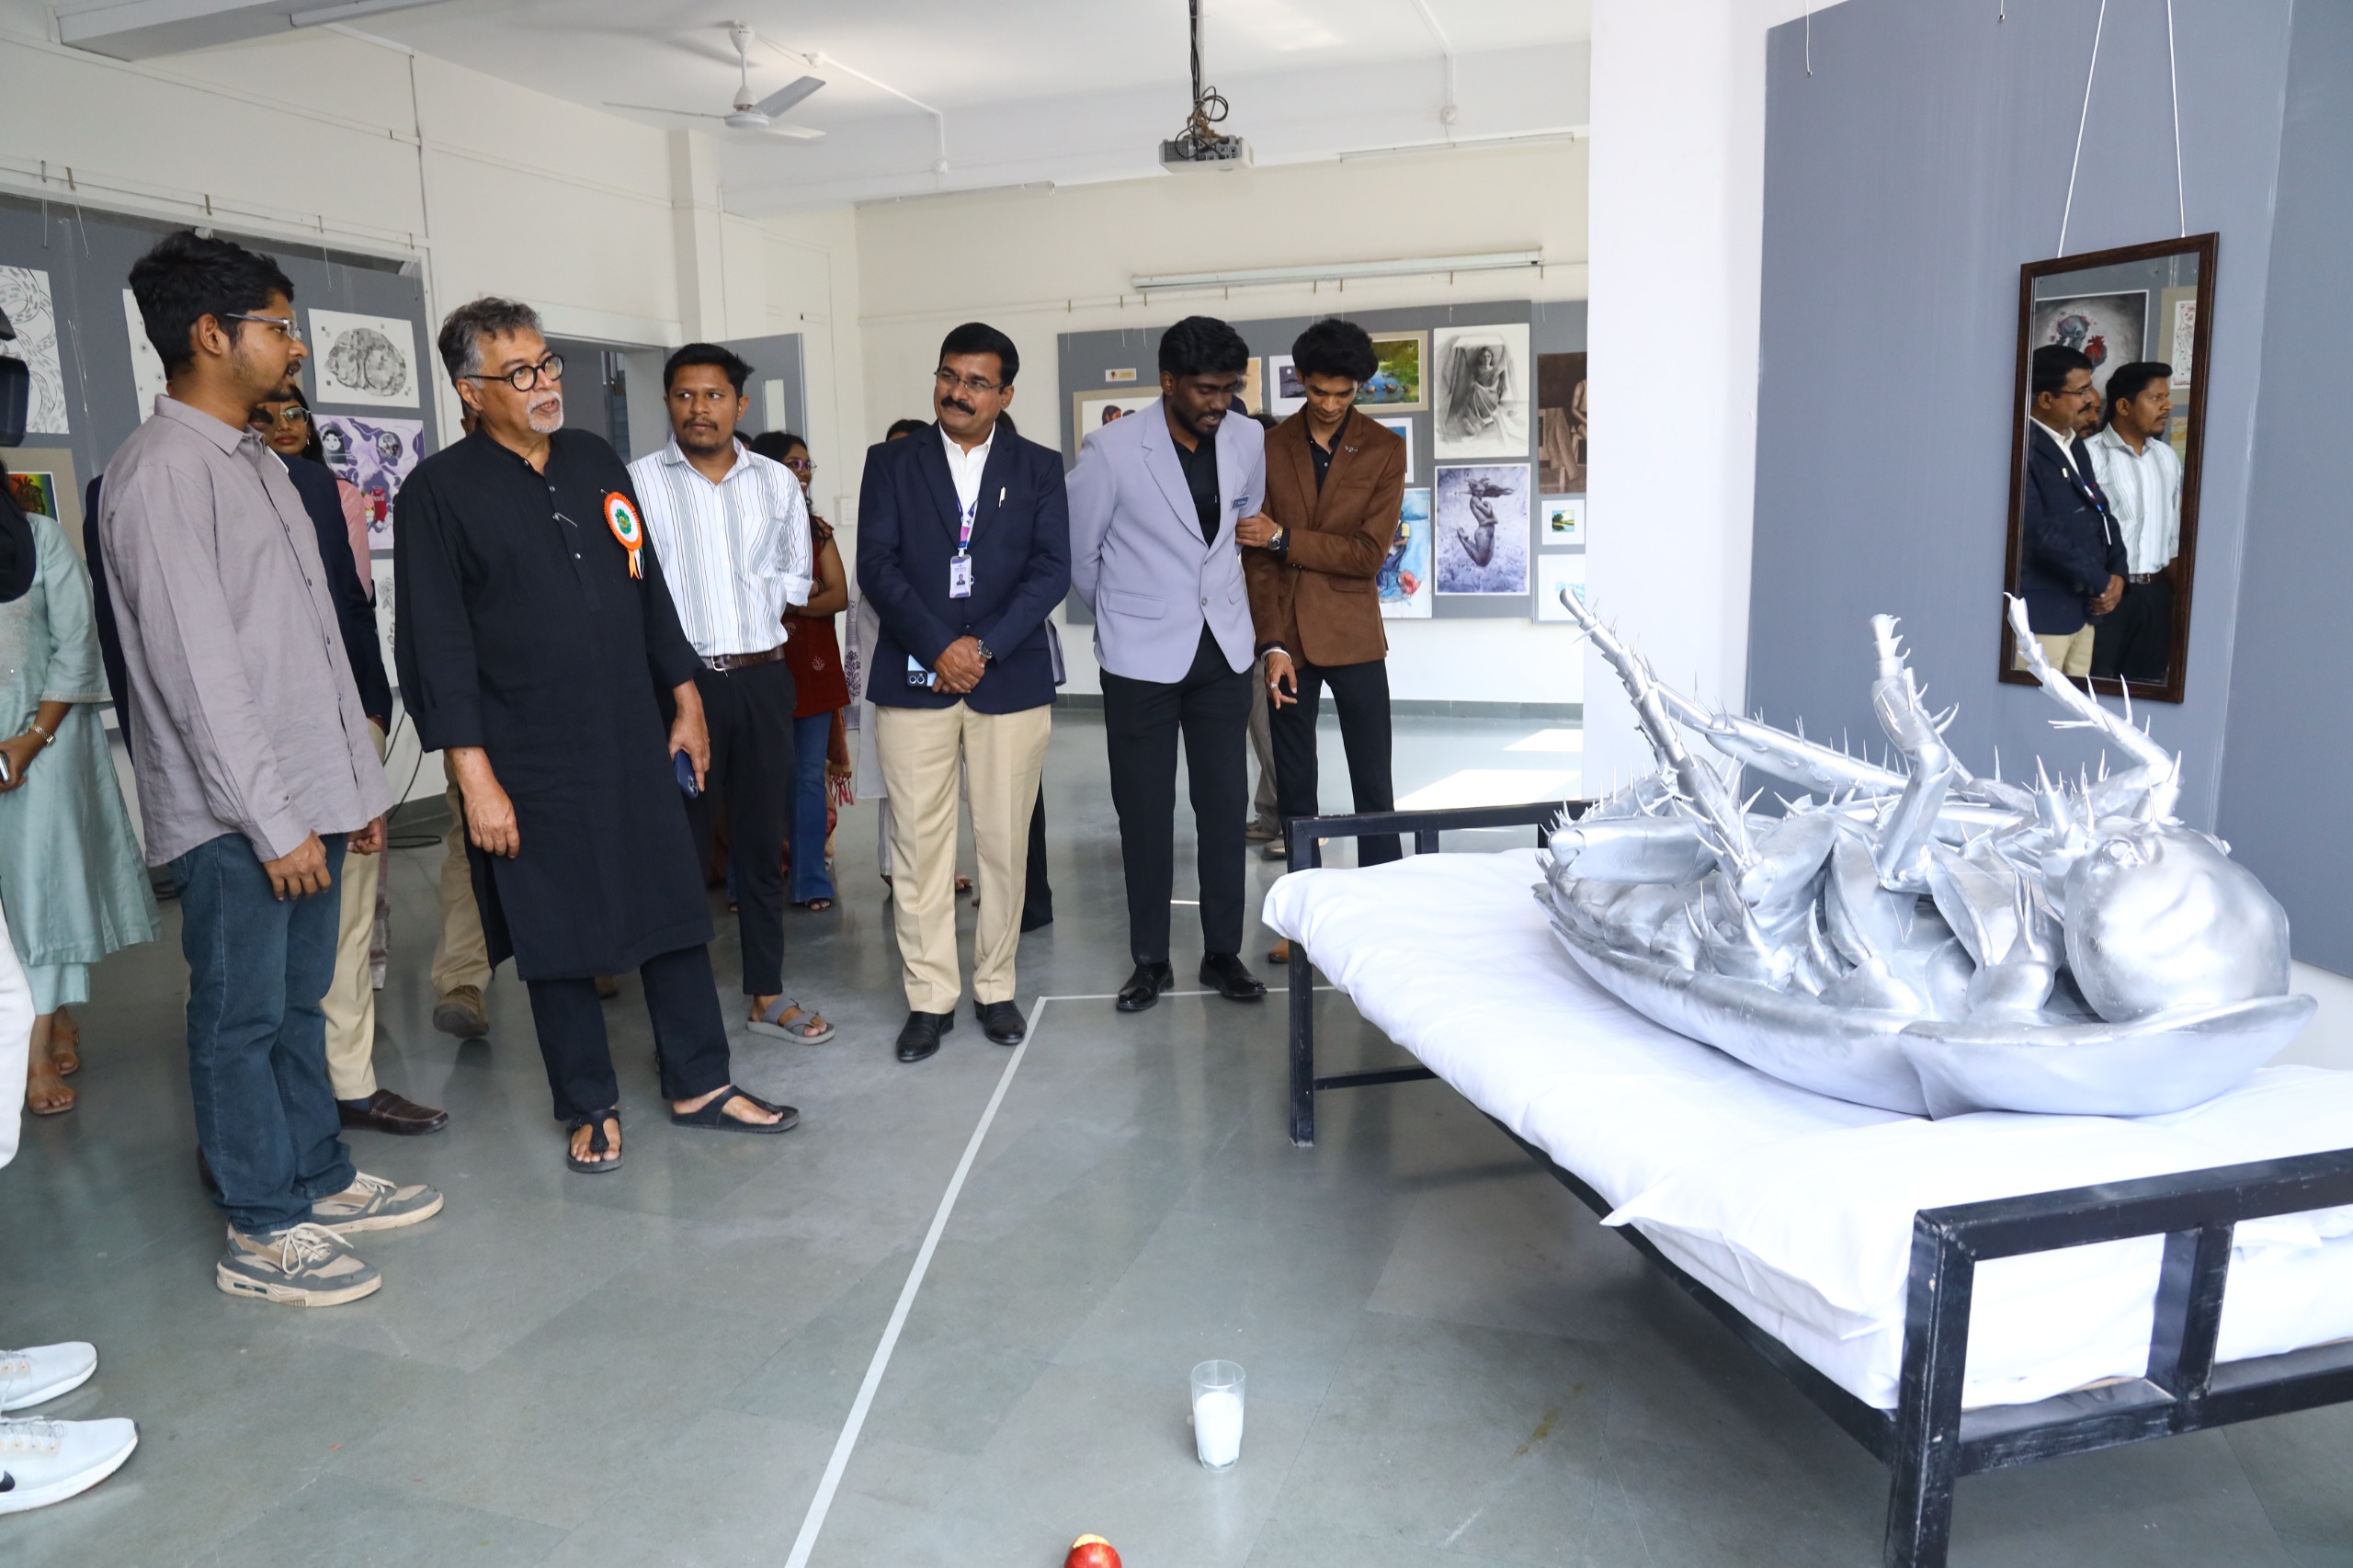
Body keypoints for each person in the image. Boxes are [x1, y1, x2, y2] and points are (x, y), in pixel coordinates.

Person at [101, 230, 438, 1305]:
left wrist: (352, 790)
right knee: (239, 1018)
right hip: (239, 818)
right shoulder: (161, 475)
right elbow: (199, 675)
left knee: (299, 1003)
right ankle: (261, 1224)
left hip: (307, 798)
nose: (294, 347)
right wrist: (275, 820)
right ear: (211, 333)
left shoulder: (262, 466)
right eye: (279, 326)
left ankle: (318, 1177)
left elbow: (315, 645)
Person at [397, 299, 794, 1173]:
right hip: (527, 755)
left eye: (548, 365)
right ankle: (588, 1103)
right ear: (470, 391)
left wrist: (685, 700)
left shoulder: (592, 458)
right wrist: (475, 778)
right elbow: (437, 645)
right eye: (520, 374)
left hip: (633, 731)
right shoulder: (438, 493)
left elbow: (646, 587)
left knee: (672, 908)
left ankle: (700, 1081)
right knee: (558, 932)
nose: (545, 385)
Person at [856, 323, 1070, 1063]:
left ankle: (995, 986)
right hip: (915, 678)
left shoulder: (1038, 467)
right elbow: (876, 564)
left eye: (977, 382)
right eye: (949, 376)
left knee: (1005, 843)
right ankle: (929, 998)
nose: (958, 392)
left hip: (1007, 678)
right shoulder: (891, 461)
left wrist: (982, 648)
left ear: (1005, 394)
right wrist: (938, 646)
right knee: (919, 847)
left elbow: (1052, 568)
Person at [243, 395, 447, 1138]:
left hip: (341, 724)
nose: (280, 424)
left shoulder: (325, 493)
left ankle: (351, 1085)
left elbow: (351, 609)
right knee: (248, 938)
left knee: (349, 914)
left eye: (292, 411)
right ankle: (258, 1112)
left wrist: (373, 713)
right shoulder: (148, 483)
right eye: (264, 413)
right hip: (236, 744)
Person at [627, 347, 833, 1044]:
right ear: (667, 402)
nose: (699, 409)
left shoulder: (776, 482)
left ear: (739, 405)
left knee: (761, 839)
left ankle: (767, 993)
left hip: (762, 680)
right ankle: (680, 1022)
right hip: (679, 690)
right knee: (678, 851)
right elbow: (631, 591)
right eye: (684, 395)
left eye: (713, 396)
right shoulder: (636, 485)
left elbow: (793, 577)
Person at [1069, 315, 1273, 1013]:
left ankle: (1223, 954)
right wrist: (1129, 614)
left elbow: (1240, 529)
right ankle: (1150, 960)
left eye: (1230, 388)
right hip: (1139, 657)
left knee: (1222, 807)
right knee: (1145, 812)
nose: (1220, 402)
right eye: (1206, 390)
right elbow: (1081, 555)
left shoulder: (1247, 438)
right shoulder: (1111, 449)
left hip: (1223, 651)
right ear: (1168, 382)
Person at [1241, 318, 1409, 968]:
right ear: (1300, 382)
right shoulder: (1269, 446)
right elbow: (1255, 558)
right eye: (1318, 392)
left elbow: (1367, 555)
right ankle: (1303, 920)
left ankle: (1383, 913)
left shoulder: (1385, 449)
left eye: (1344, 393)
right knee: (1295, 790)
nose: (1331, 404)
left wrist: (1284, 538)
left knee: (1374, 783)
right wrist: (1272, 644)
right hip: (1288, 640)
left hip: (1355, 634)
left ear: (1358, 387)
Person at [0, 467, 160, 1118]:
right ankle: (55, 1013)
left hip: (45, 743)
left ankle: (34, 1052)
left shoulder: (39, 539)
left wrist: (31, 738)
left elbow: (76, 644)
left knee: (40, 896)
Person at [748, 430, 851, 913]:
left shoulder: (817, 531)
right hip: (758, 667)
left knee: (809, 777)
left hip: (813, 668)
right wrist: (802, 593)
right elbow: (745, 595)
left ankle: (811, 880)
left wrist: (789, 603)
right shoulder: (745, 526)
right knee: (756, 778)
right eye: (794, 463)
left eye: (807, 464)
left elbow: (839, 595)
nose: (804, 472)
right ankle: (749, 883)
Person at [2017, 344, 2125, 678]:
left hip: (2083, 612)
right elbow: (2039, 534)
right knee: (2036, 704)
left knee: (2078, 706)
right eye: (2080, 392)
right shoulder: (2020, 445)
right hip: (2043, 617)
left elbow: (2100, 510)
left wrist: (2118, 573)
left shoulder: (2074, 444)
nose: (2091, 399)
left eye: (2090, 387)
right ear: (2046, 399)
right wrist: (2102, 582)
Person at [2086, 360, 2182, 684]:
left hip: (2155, 595)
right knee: (2094, 688)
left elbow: (2172, 539)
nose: (2167, 406)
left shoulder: (2167, 458)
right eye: (2156, 398)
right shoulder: (2089, 456)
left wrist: (2182, 600)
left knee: (2148, 691)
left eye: (2166, 397)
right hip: (2105, 595)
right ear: (2124, 406)